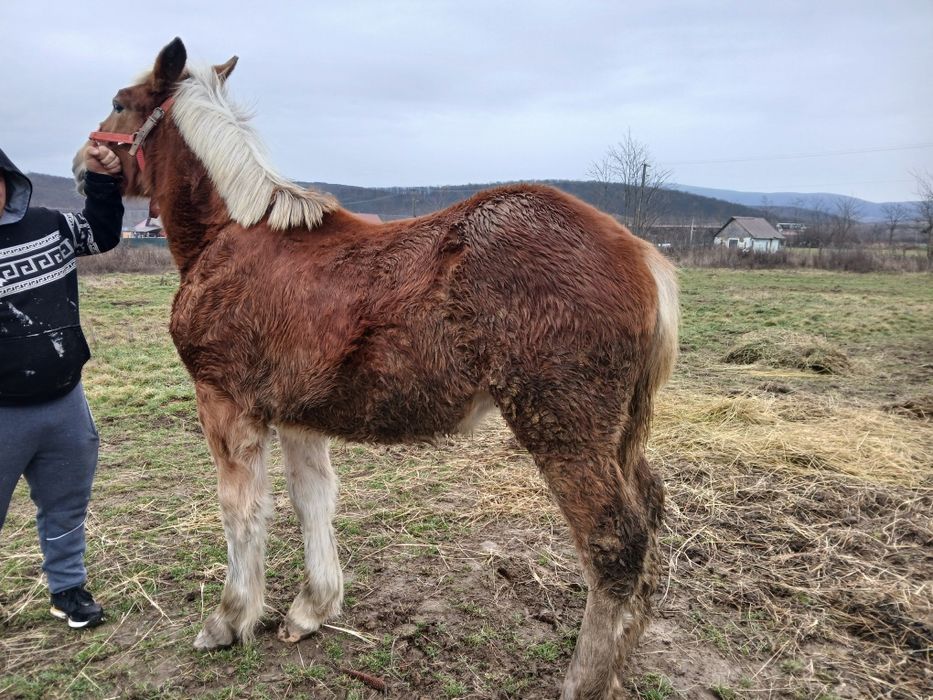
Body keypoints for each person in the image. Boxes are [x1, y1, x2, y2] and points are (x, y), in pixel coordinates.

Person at [0, 143, 124, 628]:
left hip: (65, 404)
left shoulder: (51, 225)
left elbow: (102, 232)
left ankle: (68, 590)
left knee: (67, 505)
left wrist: (101, 180)